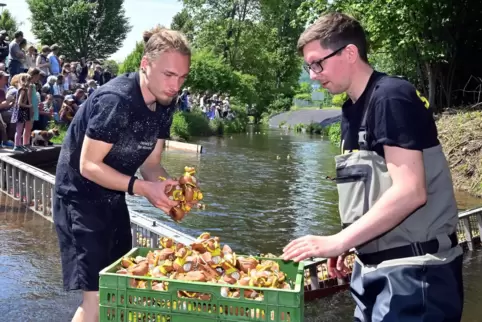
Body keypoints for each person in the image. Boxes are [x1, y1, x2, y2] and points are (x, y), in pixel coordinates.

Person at [282, 12, 463, 322]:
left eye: (317, 63)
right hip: (371, 275)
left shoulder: (392, 96)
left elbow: (410, 191)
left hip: (416, 277)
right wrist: (352, 239)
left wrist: (340, 241)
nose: (313, 75)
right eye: (309, 66)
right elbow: (373, 189)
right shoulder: (352, 110)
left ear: (349, 53)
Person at [53, 28, 191, 322]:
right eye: (169, 75)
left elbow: (151, 164)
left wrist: (167, 188)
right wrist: (141, 189)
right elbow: (88, 165)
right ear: (145, 64)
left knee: (118, 287)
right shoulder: (117, 99)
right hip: (78, 197)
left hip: (113, 196)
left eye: (182, 77)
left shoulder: (166, 102)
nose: (175, 85)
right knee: (97, 298)